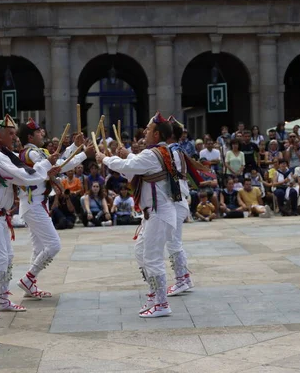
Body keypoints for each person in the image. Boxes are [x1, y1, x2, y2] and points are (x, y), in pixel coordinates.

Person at [0, 114, 59, 319]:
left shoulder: (3, 153)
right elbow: (22, 176)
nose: (14, 138)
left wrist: (46, 169)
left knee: (7, 258)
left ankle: (3, 300)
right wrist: (45, 167)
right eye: (10, 134)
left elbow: (24, 173)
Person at [96, 112, 180, 318]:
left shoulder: (154, 154)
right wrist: (126, 155)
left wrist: (105, 158)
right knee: (142, 253)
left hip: (158, 214)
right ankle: (154, 294)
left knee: (152, 258)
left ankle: (161, 303)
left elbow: (129, 167)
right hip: (154, 214)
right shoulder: (159, 152)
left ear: (157, 134)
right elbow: (136, 166)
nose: (145, 132)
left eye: (149, 129)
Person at [16, 118, 94, 299]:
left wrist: (75, 147)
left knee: (39, 248)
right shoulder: (31, 153)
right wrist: (82, 154)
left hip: (35, 204)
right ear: (30, 136)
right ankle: (28, 279)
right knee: (54, 245)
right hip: (34, 204)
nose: (41, 133)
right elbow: (57, 166)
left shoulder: (35, 152)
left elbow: (58, 163)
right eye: (38, 132)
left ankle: (30, 286)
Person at [166, 116, 195, 297]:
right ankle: (185, 277)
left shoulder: (171, 151)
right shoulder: (175, 149)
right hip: (179, 200)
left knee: (173, 243)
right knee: (175, 242)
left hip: (177, 200)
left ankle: (181, 281)